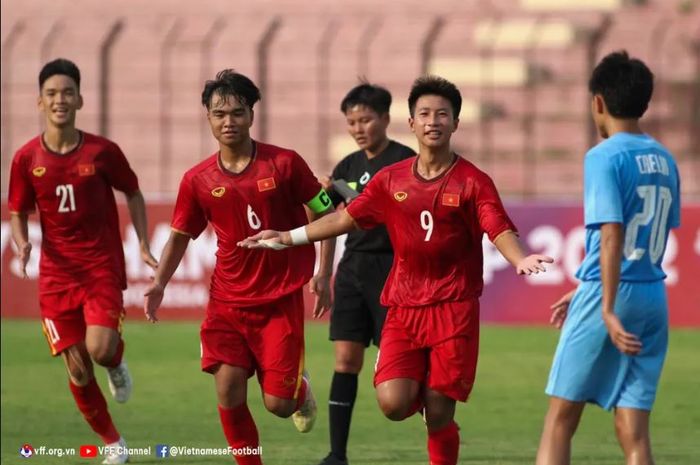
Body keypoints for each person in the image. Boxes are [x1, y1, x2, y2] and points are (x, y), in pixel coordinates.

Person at [240, 75, 553, 465]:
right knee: (393, 404)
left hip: (453, 308)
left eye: (443, 114)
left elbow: (497, 225)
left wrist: (519, 258)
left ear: (455, 123)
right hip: (404, 306)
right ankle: (413, 383)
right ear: (411, 122)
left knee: (439, 413)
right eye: (424, 113)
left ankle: (439, 423)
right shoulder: (391, 179)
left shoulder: (474, 181)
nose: (433, 121)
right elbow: (344, 218)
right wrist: (288, 237)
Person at [143, 69, 336, 465]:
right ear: (208, 118)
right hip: (227, 303)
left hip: (279, 300)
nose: (228, 121)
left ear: (251, 114)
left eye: (236, 112)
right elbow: (180, 235)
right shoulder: (197, 180)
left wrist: (323, 272)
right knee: (228, 391)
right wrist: (160, 282)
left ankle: (299, 392)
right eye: (219, 114)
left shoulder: (284, 164)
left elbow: (327, 212)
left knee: (278, 405)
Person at [8, 58, 157, 465]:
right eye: (52, 93)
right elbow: (18, 210)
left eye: (68, 93)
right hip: (56, 275)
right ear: (40, 102)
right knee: (76, 369)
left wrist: (143, 243)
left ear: (80, 99)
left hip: (100, 267)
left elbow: (135, 192)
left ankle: (116, 360)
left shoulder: (102, 152)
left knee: (100, 348)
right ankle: (113, 443)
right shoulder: (25, 159)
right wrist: (21, 243)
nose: (60, 100)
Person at [536, 51, 681, 465]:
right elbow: (653, 236)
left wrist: (604, 304)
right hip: (653, 296)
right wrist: (587, 282)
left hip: (611, 296)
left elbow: (613, 231)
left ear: (597, 102)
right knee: (633, 429)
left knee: (560, 419)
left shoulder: (603, 156)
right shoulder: (665, 159)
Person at [316, 83, 415, 465]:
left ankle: (438, 439)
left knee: (401, 369)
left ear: (386, 119)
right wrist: (323, 274)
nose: (358, 128)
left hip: (394, 271)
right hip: (353, 271)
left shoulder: (405, 161)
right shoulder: (346, 167)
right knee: (345, 361)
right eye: (352, 122)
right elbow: (326, 218)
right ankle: (336, 454)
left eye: (366, 119)